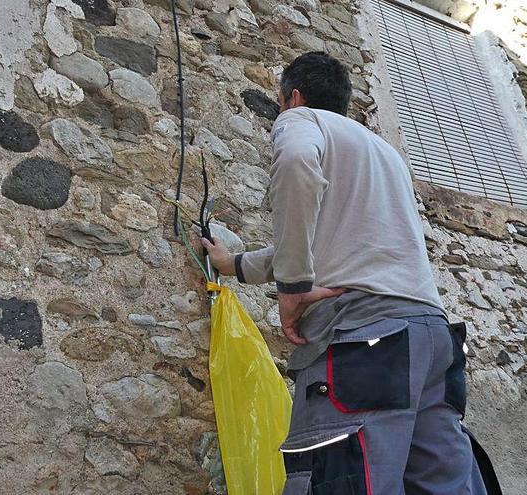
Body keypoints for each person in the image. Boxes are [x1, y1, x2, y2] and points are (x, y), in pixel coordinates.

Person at [202, 52, 487, 494]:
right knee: (442, 484)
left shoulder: (300, 121)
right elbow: (330, 243)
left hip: (366, 337)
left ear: (292, 97)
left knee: (340, 479)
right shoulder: (383, 153)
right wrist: (235, 265)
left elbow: (296, 165)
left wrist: (293, 289)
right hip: (432, 338)